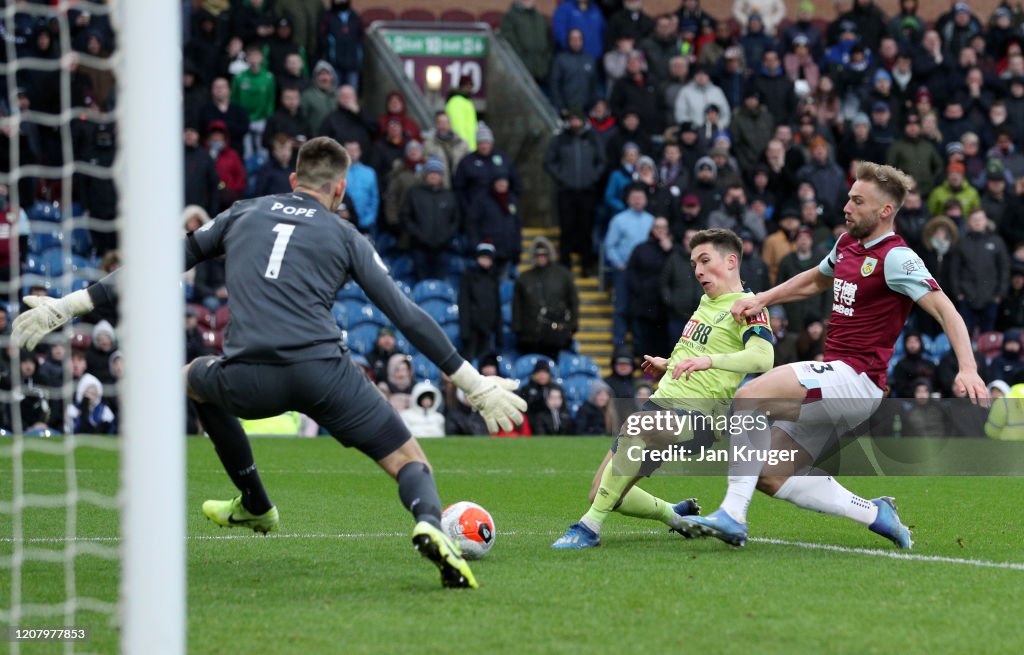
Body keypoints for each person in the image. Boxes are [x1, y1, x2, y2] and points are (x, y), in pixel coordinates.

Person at [12, 136, 528, 589]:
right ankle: (430, 523)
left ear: (292, 178)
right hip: (325, 375)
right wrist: (473, 383)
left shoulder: (242, 211)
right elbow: (405, 313)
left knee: (189, 379)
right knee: (410, 461)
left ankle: (255, 502)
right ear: (340, 190)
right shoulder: (346, 235)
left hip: (249, 377)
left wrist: (69, 305)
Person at [679, 162, 988, 550]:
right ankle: (875, 513)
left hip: (856, 379)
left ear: (885, 211)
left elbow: (946, 309)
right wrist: (763, 298)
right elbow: (815, 279)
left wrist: (969, 367)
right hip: (836, 382)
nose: (847, 206)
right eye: (848, 197)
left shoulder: (897, 258)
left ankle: (732, 516)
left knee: (749, 398)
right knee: (770, 473)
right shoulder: (846, 245)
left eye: (858, 201)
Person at [552, 228, 775, 549]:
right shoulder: (706, 302)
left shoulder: (749, 306)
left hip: (699, 418)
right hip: (663, 404)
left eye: (704, 260)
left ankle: (588, 528)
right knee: (602, 491)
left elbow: (763, 357)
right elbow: (694, 352)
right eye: (694, 263)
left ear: (730, 262)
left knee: (636, 428)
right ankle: (675, 516)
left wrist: (709, 361)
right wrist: (668, 363)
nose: (697, 270)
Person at [511, 237, 579, 359]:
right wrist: (517, 329)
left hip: (556, 334)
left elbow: (573, 302)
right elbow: (517, 305)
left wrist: (572, 325)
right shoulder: (524, 278)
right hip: (529, 335)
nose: (541, 258)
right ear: (533, 256)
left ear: (549, 255)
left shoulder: (563, 275)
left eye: (544, 255)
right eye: (537, 255)